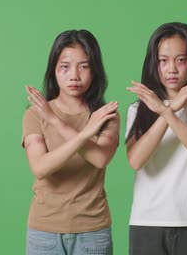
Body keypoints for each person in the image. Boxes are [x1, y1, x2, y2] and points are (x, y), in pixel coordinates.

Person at [125, 22, 187, 255]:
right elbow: (135, 160)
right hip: (147, 222)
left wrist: (168, 111)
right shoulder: (138, 110)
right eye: (163, 60)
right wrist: (165, 110)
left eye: (180, 60)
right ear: (154, 63)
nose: (172, 69)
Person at [22, 29, 119, 255]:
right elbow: (40, 167)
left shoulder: (106, 114)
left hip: (92, 232)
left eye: (84, 66)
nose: (74, 75)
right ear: (54, 70)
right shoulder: (35, 114)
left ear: (95, 70)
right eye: (65, 66)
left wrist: (56, 122)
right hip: (44, 231)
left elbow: (100, 158)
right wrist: (82, 132)